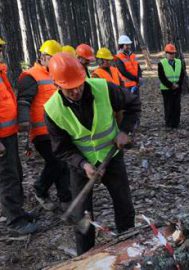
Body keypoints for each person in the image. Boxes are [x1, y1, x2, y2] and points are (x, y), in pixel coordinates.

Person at [44, 53, 141, 255]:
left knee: (124, 207)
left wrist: (125, 131)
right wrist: (83, 165)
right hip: (80, 166)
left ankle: (129, 250)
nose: (77, 90)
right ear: (57, 85)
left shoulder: (103, 88)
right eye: (70, 88)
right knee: (82, 218)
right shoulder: (52, 110)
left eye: (79, 84)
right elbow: (61, 149)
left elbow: (133, 104)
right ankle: (85, 258)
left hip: (111, 158)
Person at [17, 40, 71, 211]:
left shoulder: (54, 73)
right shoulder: (30, 76)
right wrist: (25, 126)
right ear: (43, 56)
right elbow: (24, 102)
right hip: (41, 132)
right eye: (53, 58)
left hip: (58, 128)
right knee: (56, 162)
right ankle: (40, 189)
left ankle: (66, 199)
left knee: (63, 163)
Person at [0, 37, 38, 235]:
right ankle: (15, 221)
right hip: (1, 139)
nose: (0, 51)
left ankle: (18, 211)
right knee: (8, 178)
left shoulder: (1, 72)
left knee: (15, 174)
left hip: (8, 134)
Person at [158, 43, 185, 129]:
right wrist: (171, 85)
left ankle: (176, 123)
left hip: (177, 88)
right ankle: (169, 123)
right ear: (166, 53)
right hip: (166, 89)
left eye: (173, 53)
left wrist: (178, 85)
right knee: (168, 106)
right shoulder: (161, 63)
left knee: (177, 106)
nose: (172, 55)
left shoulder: (179, 62)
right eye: (170, 53)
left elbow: (182, 75)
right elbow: (161, 77)